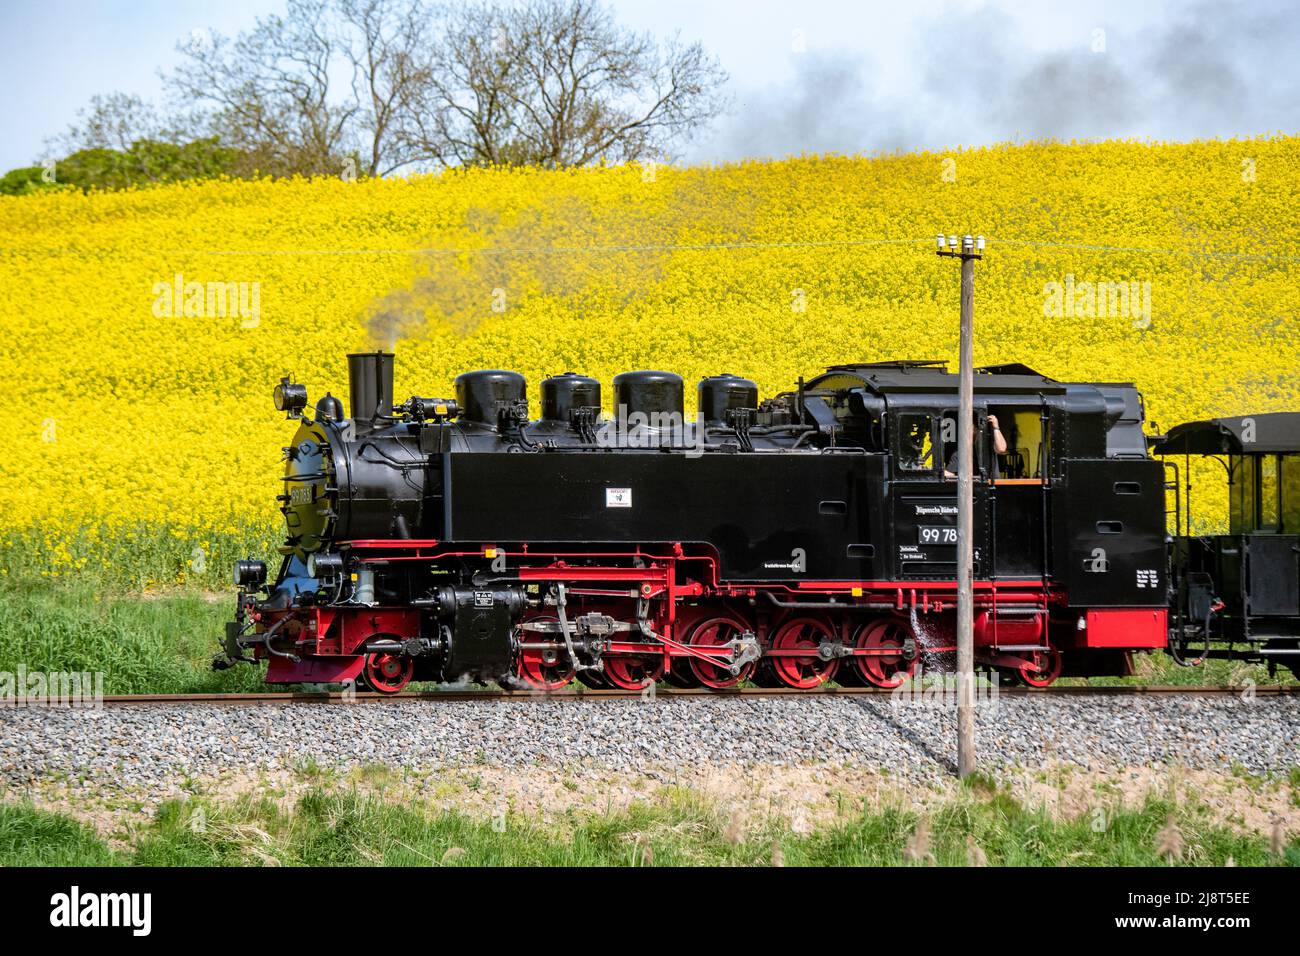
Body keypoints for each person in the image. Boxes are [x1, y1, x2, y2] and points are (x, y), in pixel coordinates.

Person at [944, 414, 1007, 478]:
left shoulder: (988, 441)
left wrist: (996, 428)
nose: (966, 431)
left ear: (976, 429)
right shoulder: (961, 451)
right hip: (972, 486)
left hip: (989, 484)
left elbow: (1001, 449)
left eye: (969, 427)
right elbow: (950, 473)